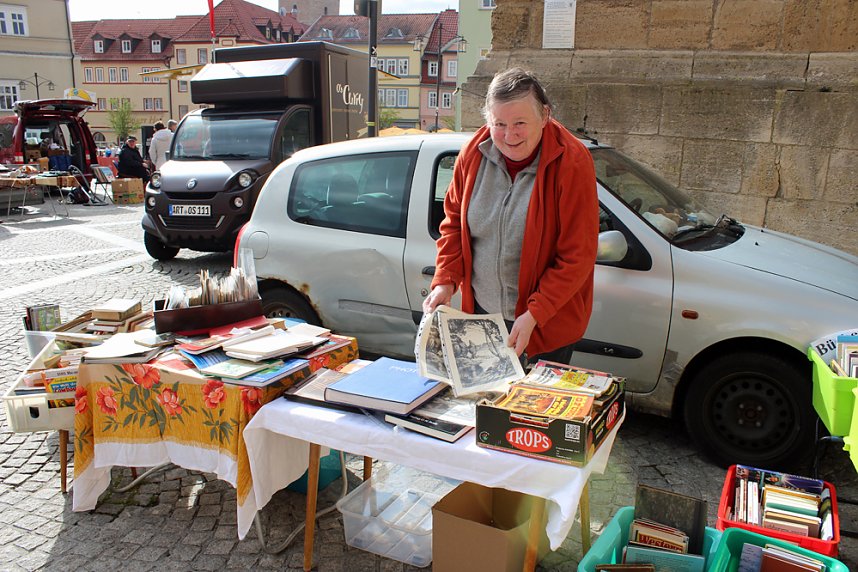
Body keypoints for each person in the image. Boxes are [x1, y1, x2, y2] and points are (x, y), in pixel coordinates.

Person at [422, 67, 599, 366]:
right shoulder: (472, 154)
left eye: (520, 123)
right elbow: (453, 226)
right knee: (485, 408)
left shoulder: (573, 161)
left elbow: (577, 255)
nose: (509, 135)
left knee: (529, 410)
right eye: (499, 123)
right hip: (483, 318)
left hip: (545, 325)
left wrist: (535, 314)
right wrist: (446, 280)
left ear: (544, 116)